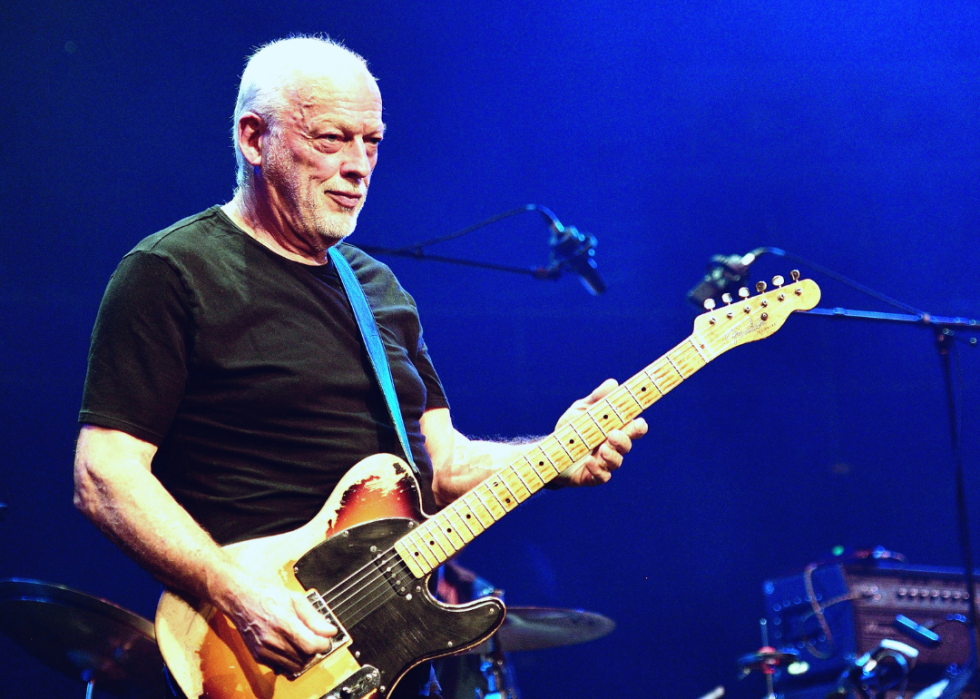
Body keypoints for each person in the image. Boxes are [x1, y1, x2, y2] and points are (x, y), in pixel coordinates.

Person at [73, 35, 647, 697]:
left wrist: (555, 453)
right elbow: (104, 473)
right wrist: (237, 591)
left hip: (389, 661)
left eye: (371, 142)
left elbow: (444, 466)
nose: (358, 166)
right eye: (331, 139)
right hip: (253, 656)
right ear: (254, 139)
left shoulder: (379, 291)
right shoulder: (173, 272)